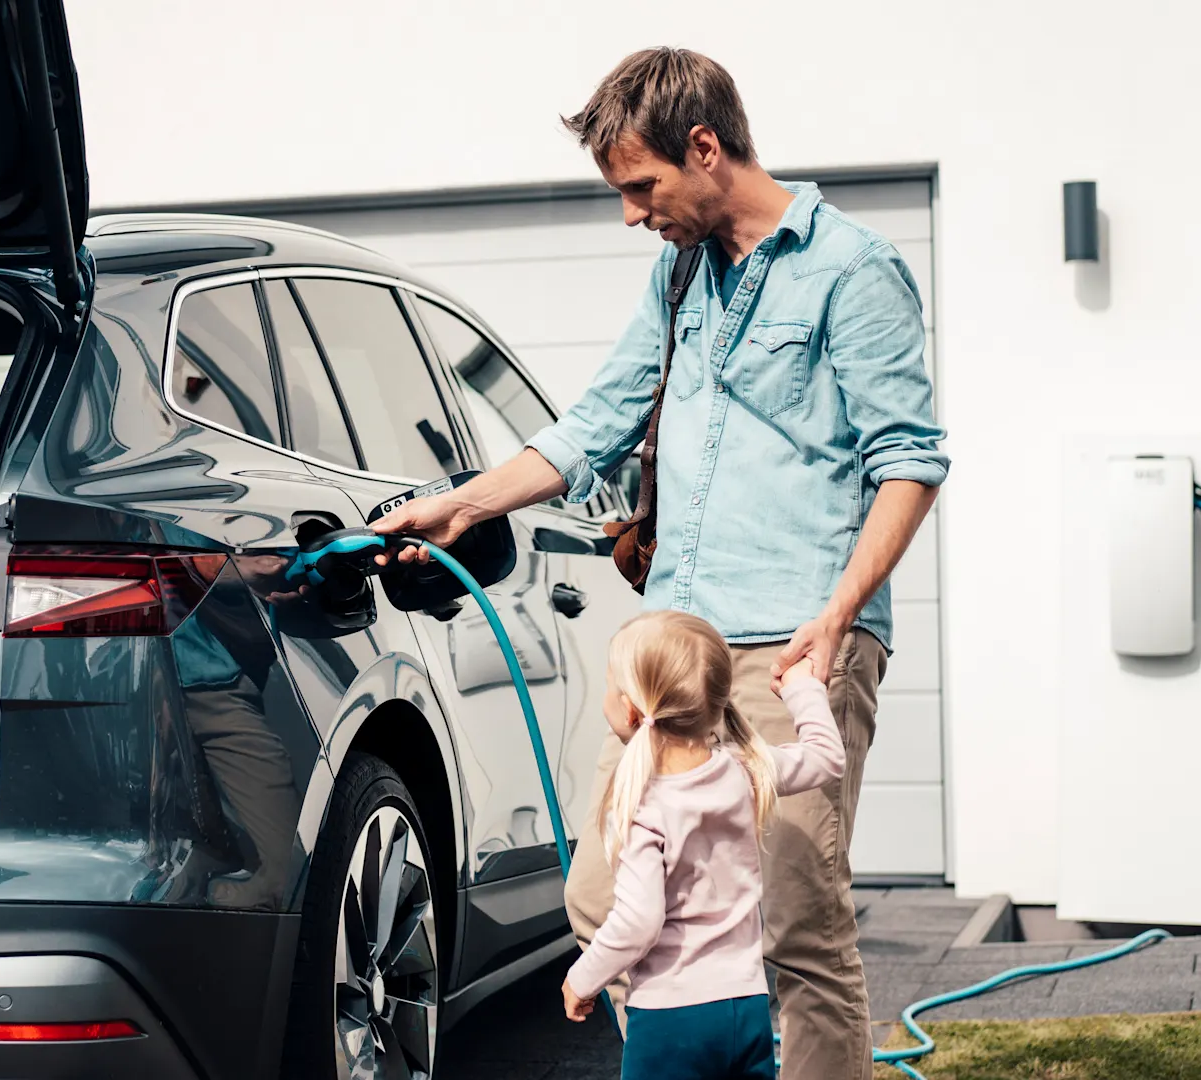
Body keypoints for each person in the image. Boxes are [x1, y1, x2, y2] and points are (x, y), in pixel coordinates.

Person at [373, 47, 948, 1079]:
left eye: (641, 187)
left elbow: (907, 463)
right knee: (602, 897)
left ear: (707, 148)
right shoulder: (680, 277)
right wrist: (458, 506)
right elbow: (593, 426)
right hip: (676, 654)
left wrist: (839, 619)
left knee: (793, 929)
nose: (633, 214)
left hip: (793, 641)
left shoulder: (852, 271)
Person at [561, 611, 842, 1080]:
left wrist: (583, 978)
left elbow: (637, 921)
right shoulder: (744, 770)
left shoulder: (639, 803)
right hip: (746, 1007)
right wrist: (801, 686)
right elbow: (826, 758)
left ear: (631, 709)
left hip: (671, 1018)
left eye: (611, 684)